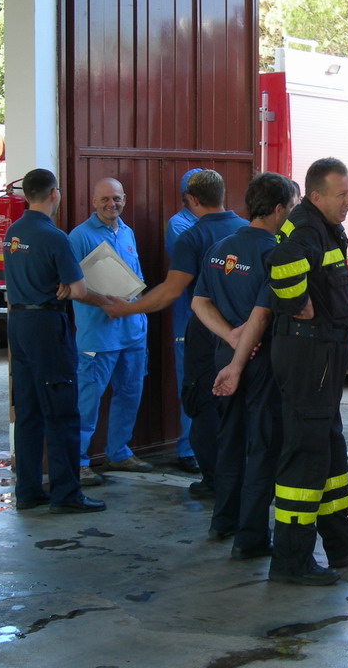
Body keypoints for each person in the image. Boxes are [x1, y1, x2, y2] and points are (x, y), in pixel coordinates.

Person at [103, 169, 247, 474]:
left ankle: (210, 473)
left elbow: (172, 289)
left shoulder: (191, 235)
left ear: (191, 198)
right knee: (236, 398)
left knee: (201, 397)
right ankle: (229, 466)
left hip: (203, 330)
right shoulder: (246, 230)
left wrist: (126, 309)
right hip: (244, 333)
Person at [266, 157, 348, 586]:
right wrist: (295, 301)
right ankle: (291, 560)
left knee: (329, 449)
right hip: (309, 358)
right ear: (316, 195)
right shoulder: (306, 227)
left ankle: (340, 543)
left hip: (324, 358)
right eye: (342, 194)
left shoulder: (322, 227)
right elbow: (280, 262)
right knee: (306, 455)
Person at [191, 172, 300, 559]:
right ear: (278, 210)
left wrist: (229, 337)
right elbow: (261, 315)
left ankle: (224, 520)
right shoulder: (275, 253)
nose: (293, 214)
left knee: (230, 441)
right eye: (292, 207)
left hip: (226, 356)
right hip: (259, 361)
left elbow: (199, 302)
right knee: (262, 447)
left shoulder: (219, 248)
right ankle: (251, 537)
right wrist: (242, 349)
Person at [4, 168, 107, 514]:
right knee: (61, 410)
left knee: (28, 411)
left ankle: (28, 490)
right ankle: (66, 493)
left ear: (25, 195)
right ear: (53, 194)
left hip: (18, 323)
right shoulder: (54, 237)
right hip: (47, 325)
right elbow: (77, 289)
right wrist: (103, 300)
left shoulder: (14, 232)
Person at [68, 177, 151, 487]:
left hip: (133, 333)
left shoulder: (127, 232)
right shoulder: (79, 236)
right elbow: (72, 286)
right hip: (98, 337)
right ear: (93, 202)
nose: (111, 204)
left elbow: (135, 280)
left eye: (116, 198)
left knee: (129, 394)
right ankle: (78, 462)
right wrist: (105, 303)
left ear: (124, 199)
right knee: (87, 401)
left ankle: (118, 452)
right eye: (104, 199)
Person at [165, 168, 204, 483]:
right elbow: (197, 268)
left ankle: (205, 446)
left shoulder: (207, 223)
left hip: (210, 319)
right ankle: (187, 450)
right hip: (187, 320)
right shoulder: (178, 225)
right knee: (190, 383)